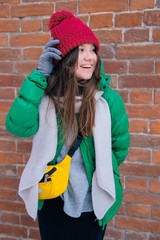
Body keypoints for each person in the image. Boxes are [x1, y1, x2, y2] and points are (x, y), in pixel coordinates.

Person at [5, 10, 130, 240]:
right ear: (65, 57)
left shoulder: (108, 101)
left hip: (94, 203)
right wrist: (39, 76)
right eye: (81, 50)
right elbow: (17, 125)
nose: (89, 57)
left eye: (92, 50)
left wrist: (101, 169)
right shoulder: (46, 97)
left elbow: (119, 148)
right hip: (53, 199)